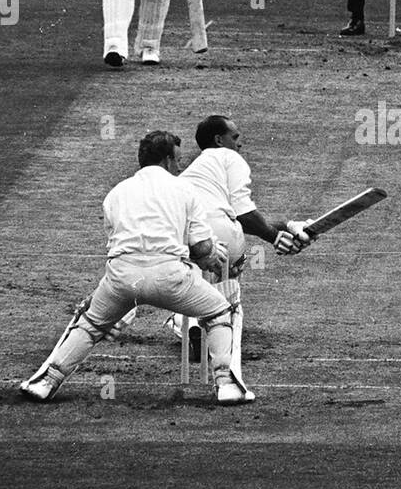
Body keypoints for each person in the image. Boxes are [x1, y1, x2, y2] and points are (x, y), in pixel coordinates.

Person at [19, 131, 258, 405]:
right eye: (177, 160)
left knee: (90, 325)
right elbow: (202, 249)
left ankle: (47, 381)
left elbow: (117, 242)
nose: (179, 166)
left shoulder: (115, 193)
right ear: (167, 159)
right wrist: (212, 256)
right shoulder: (184, 189)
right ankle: (226, 383)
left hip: (122, 279)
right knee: (218, 311)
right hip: (170, 278)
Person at [165, 116, 314, 376]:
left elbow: (232, 216)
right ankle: (224, 367)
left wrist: (287, 226)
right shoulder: (229, 158)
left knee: (194, 293)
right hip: (224, 242)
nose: (240, 144)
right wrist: (274, 238)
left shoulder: (195, 173)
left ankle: (189, 326)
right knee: (225, 297)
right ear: (218, 140)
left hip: (184, 241)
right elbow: (242, 213)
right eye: (235, 137)